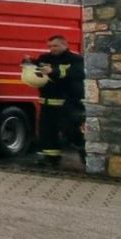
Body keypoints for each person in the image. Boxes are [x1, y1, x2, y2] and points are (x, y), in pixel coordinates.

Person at [29, 35, 85, 167]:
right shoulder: (45, 58)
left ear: (65, 45)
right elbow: (38, 69)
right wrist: (30, 62)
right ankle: (51, 158)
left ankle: (84, 151)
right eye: (49, 46)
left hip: (68, 103)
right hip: (47, 102)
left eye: (55, 46)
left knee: (70, 130)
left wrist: (53, 71)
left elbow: (76, 73)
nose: (52, 49)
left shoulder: (75, 59)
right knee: (47, 132)